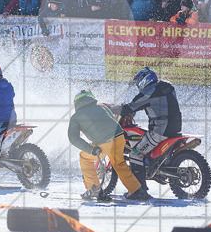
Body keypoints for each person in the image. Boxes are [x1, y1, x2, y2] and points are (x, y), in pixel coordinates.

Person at [115, 67, 181, 200]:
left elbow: (130, 107)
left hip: (159, 131)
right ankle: (153, 165)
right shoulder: (168, 86)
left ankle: (139, 191)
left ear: (144, 80)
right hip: (175, 128)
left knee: (135, 154)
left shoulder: (148, 91)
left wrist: (110, 109)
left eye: (139, 82)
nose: (138, 86)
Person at [68, 90, 143, 200]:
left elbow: (73, 138)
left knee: (84, 158)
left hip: (104, 142)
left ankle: (95, 190)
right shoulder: (102, 106)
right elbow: (113, 120)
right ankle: (137, 191)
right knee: (119, 164)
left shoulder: (76, 117)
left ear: (76, 102)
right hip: (119, 137)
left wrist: (91, 149)